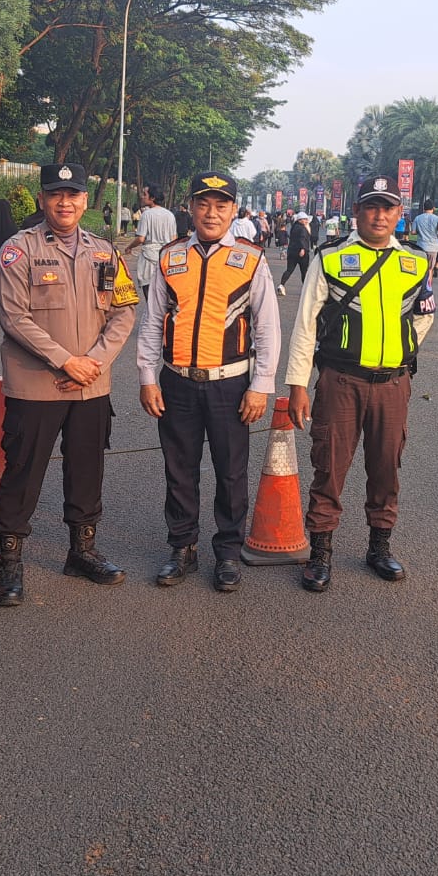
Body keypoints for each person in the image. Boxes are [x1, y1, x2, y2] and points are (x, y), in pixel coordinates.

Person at [0, 162, 139, 605]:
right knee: (23, 472)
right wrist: (65, 361)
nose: (65, 202)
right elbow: (14, 316)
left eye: (73, 194)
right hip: (36, 385)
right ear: (42, 199)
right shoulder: (18, 251)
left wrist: (92, 361)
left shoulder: (105, 252)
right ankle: (10, 564)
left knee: (87, 469)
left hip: (91, 385)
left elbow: (125, 310)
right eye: (56, 194)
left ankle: (83, 550)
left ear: (85, 200)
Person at [285, 175, 435, 591]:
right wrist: (298, 384)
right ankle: (320, 553)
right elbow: (305, 325)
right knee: (329, 466)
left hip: (393, 384)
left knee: (386, 467)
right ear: (356, 211)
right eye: (371, 206)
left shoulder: (415, 262)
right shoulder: (331, 257)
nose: (379, 215)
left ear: (399, 215)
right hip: (341, 382)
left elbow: (424, 314)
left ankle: (379, 547)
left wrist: (400, 350)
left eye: (388, 207)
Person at [138, 172, 281, 592]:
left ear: (234, 211)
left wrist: (261, 385)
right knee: (179, 469)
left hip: (231, 384)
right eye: (204, 204)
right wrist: (147, 376)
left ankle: (228, 552)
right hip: (177, 381)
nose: (212, 212)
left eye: (221, 205)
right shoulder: (170, 257)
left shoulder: (250, 260)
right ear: (191, 207)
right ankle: (182, 547)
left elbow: (267, 327)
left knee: (231, 471)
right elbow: (150, 323)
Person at [122, 185, 178, 296]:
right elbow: (174, 239)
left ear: (152, 198)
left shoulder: (146, 215)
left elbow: (141, 238)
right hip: (165, 258)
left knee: (149, 295)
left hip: (148, 258)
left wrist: (129, 247)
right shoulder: (170, 215)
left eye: (144, 194)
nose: (142, 197)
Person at [280, 210, 314, 295]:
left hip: (291, 251)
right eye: (305, 219)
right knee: (304, 271)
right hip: (301, 252)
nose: (306, 221)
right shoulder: (302, 228)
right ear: (300, 220)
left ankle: (281, 285)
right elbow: (302, 238)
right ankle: (307, 290)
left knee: (289, 270)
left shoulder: (294, 227)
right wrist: (302, 248)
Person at [411, 199, 438, 279]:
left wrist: (420, 232)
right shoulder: (437, 219)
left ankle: (420, 287)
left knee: (421, 269)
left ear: (424, 208)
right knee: (430, 269)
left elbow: (413, 232)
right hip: (433, 247)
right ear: (433, 208)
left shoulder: (417, 218)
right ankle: (428, 287)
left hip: (421, 247)